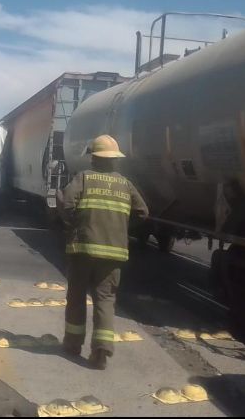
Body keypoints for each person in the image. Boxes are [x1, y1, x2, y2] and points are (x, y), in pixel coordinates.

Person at [56, 134, 148, 370]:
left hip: (83, 250)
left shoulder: (83, 178)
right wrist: (122, 227)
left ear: (93, 158)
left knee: (76, 296)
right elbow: (142, 212)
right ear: (114, 160)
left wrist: (72, 223)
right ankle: (101, 351)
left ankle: (73, 344)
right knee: (105, 299)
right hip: (114, 254)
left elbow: (66, 205)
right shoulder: (125, 184)